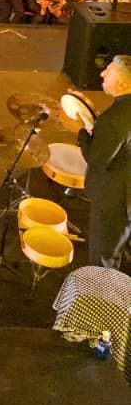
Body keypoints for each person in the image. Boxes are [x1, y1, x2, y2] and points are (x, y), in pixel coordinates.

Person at [76, 55, 131, 269]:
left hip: (116, 201)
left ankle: (102, 288)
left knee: (103, 258)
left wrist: (81, 133)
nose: (102, 74)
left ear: (123, 85)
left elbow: (96, 160)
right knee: (119, 245)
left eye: (108, 72)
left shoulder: (114, 119)